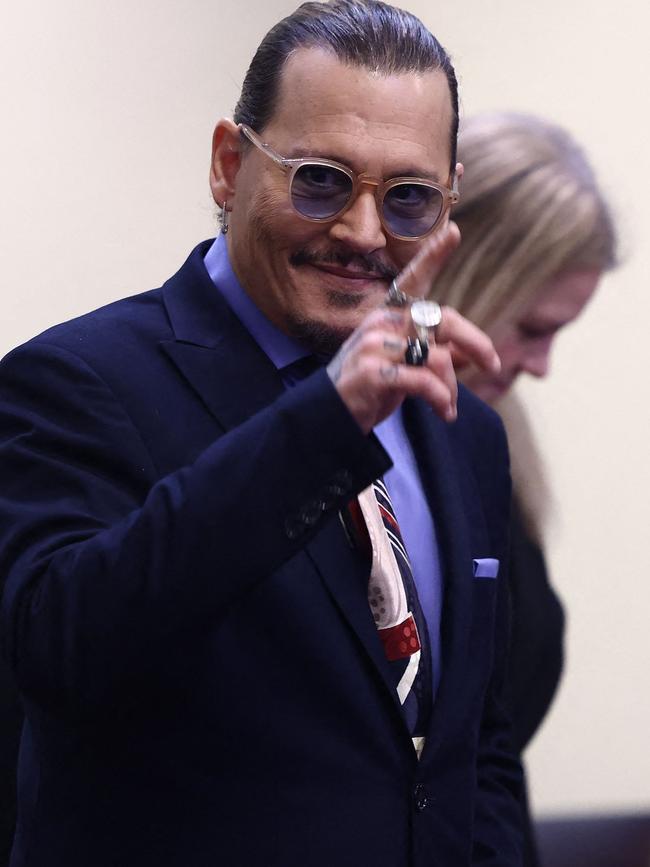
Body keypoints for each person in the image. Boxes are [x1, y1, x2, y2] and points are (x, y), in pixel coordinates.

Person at [0, 4, 524, 865]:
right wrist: (326, 423)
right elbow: (61, 651)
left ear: (449, 200)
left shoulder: (461, 429)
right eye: (320, 179)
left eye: (408, 198)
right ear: (227, 164)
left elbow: (475, 740)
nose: (361, 233)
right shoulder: (77, 380)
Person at [432, 111, 617, 865]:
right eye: (534, 326)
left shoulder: (491, 449)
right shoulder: (338, 457)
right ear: (471, 276)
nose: (539, 365)